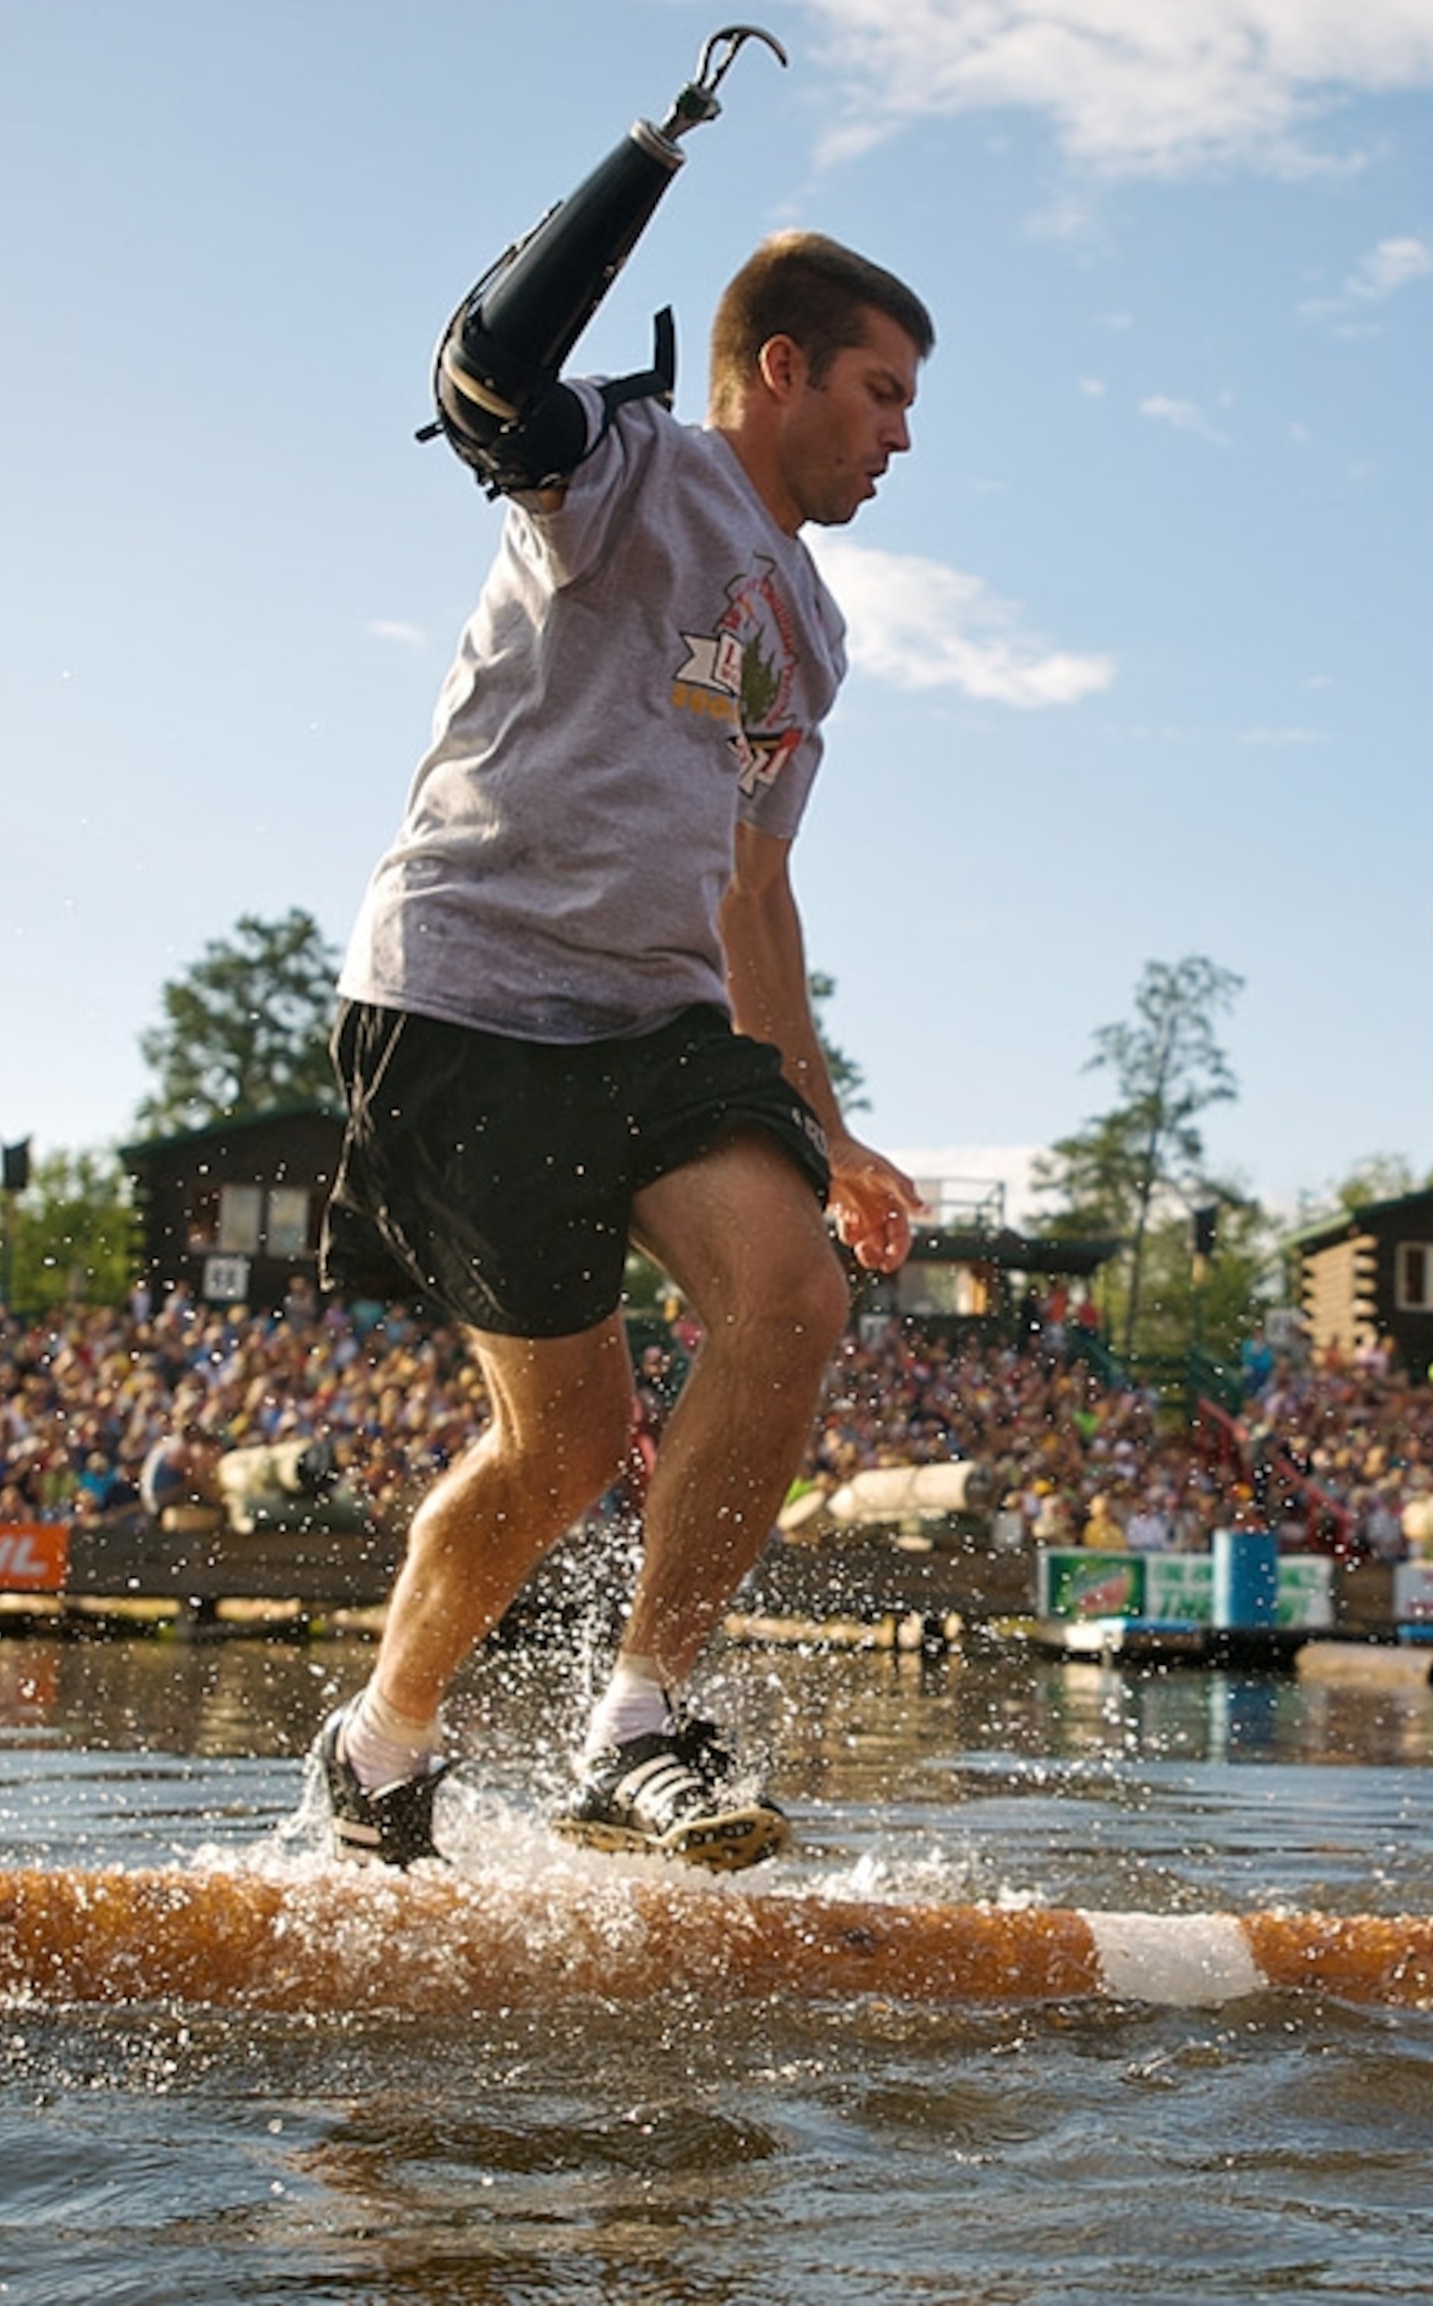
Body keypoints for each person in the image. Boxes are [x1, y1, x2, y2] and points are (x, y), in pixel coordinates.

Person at [302, 230, 937, 1870]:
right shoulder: (633, 471)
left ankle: (639, 1715)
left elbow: (757, 886)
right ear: (781, 367)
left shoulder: (816, 631)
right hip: (467, 998)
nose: (903, 436)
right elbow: (489, 390)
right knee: (561, 1447)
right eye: (883, 391)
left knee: (793, 1290)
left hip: (655, 1022)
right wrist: (646, 169)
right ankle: (379, 1744)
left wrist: (833, 1126)